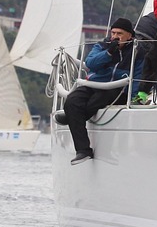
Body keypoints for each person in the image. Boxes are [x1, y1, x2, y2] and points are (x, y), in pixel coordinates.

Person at [61, 17, 143, 164]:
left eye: (119, 34)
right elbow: (91, 63)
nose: (115, 37)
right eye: (113, 33)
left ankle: (70, 117)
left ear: (129, 35)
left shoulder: (136, 51)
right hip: (94, 84)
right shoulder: (102, 46)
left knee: (95, 102)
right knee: (72, 101)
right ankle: (83, 150)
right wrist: (108, 53)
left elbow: (138, 75)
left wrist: (134, 97)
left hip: (117, 88)